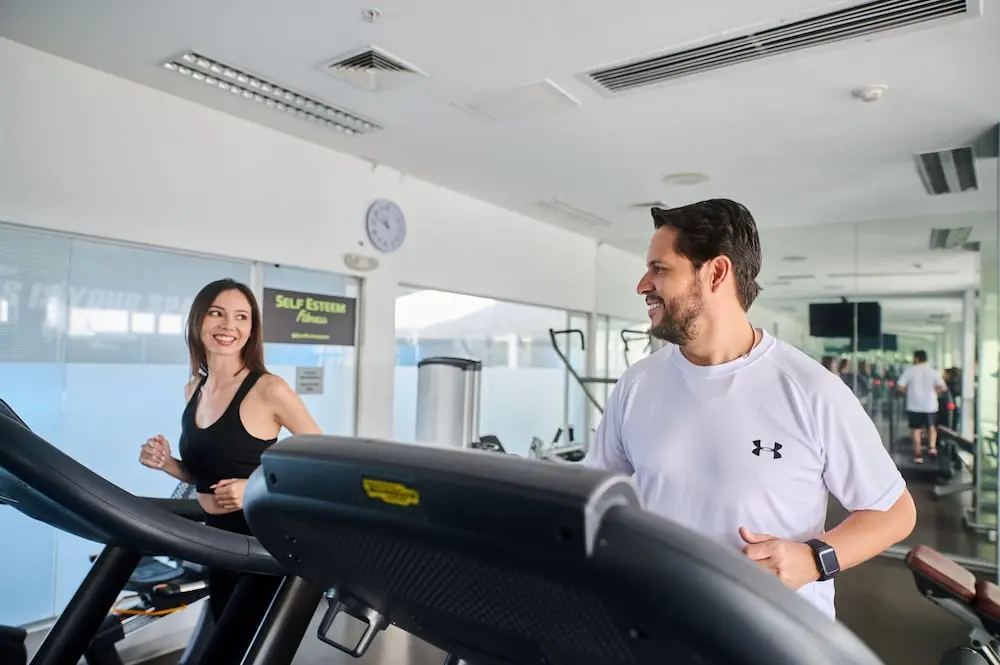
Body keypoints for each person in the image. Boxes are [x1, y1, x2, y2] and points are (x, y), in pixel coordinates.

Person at [582, 199, 916, 621]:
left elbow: (895, 512)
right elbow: (590, 488)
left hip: (771, 632)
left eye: (659, 268)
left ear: (716, 273)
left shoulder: (811, 389)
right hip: (662, 621)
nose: (642, 285)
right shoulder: (638, 383)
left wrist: (814, 559)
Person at [139, 278, 321, 662]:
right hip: (218, 543)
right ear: (198, 321)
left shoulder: (269, 389)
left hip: (264, 542)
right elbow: (205, 477)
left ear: (252, 329)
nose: (228, 325)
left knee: (229, 651)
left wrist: (256, 486)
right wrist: (168, 463)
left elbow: (322, 462)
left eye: (241, 317)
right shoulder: (194, 389)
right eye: (217, 313)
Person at [896, 350, 947, 463]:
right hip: (930, 405)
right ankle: (932, 448)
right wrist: (934, 391)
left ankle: (918, 453)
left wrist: (909, 392)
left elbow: (900, 387)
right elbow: (943, 387)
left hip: (914, 405)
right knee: (931, 427)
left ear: (916, 358)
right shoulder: (933, 372)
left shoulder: (909, 371)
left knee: (916, 429)